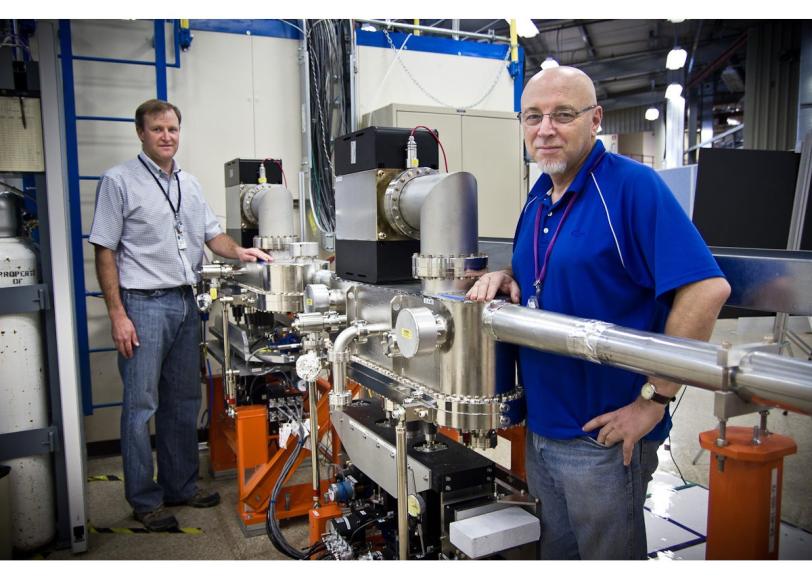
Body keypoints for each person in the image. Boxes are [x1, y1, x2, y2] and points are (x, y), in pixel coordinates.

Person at [466, 67, 731, 559]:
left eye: (563, 114)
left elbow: (706, 290)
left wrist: (654, 400)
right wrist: (507, 277)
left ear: (596, 120)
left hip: (603, 442)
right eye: (533, 116)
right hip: (542, 429)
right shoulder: (540, 196)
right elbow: (551, 276)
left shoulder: (632, 189)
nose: (545, 128)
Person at [89, 99, 271, 532]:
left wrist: (240, 252)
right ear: (141, 133)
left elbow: (212, 235)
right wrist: (117, 314)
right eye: (157, 130)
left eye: (172, 129)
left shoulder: (189, 184)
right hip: (143, 305)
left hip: (187, 303)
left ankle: (180, 486)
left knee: (183, 401)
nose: (166, 136)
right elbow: (105, 250)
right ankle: (145, 500)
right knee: (141, 406)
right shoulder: (119, 181)